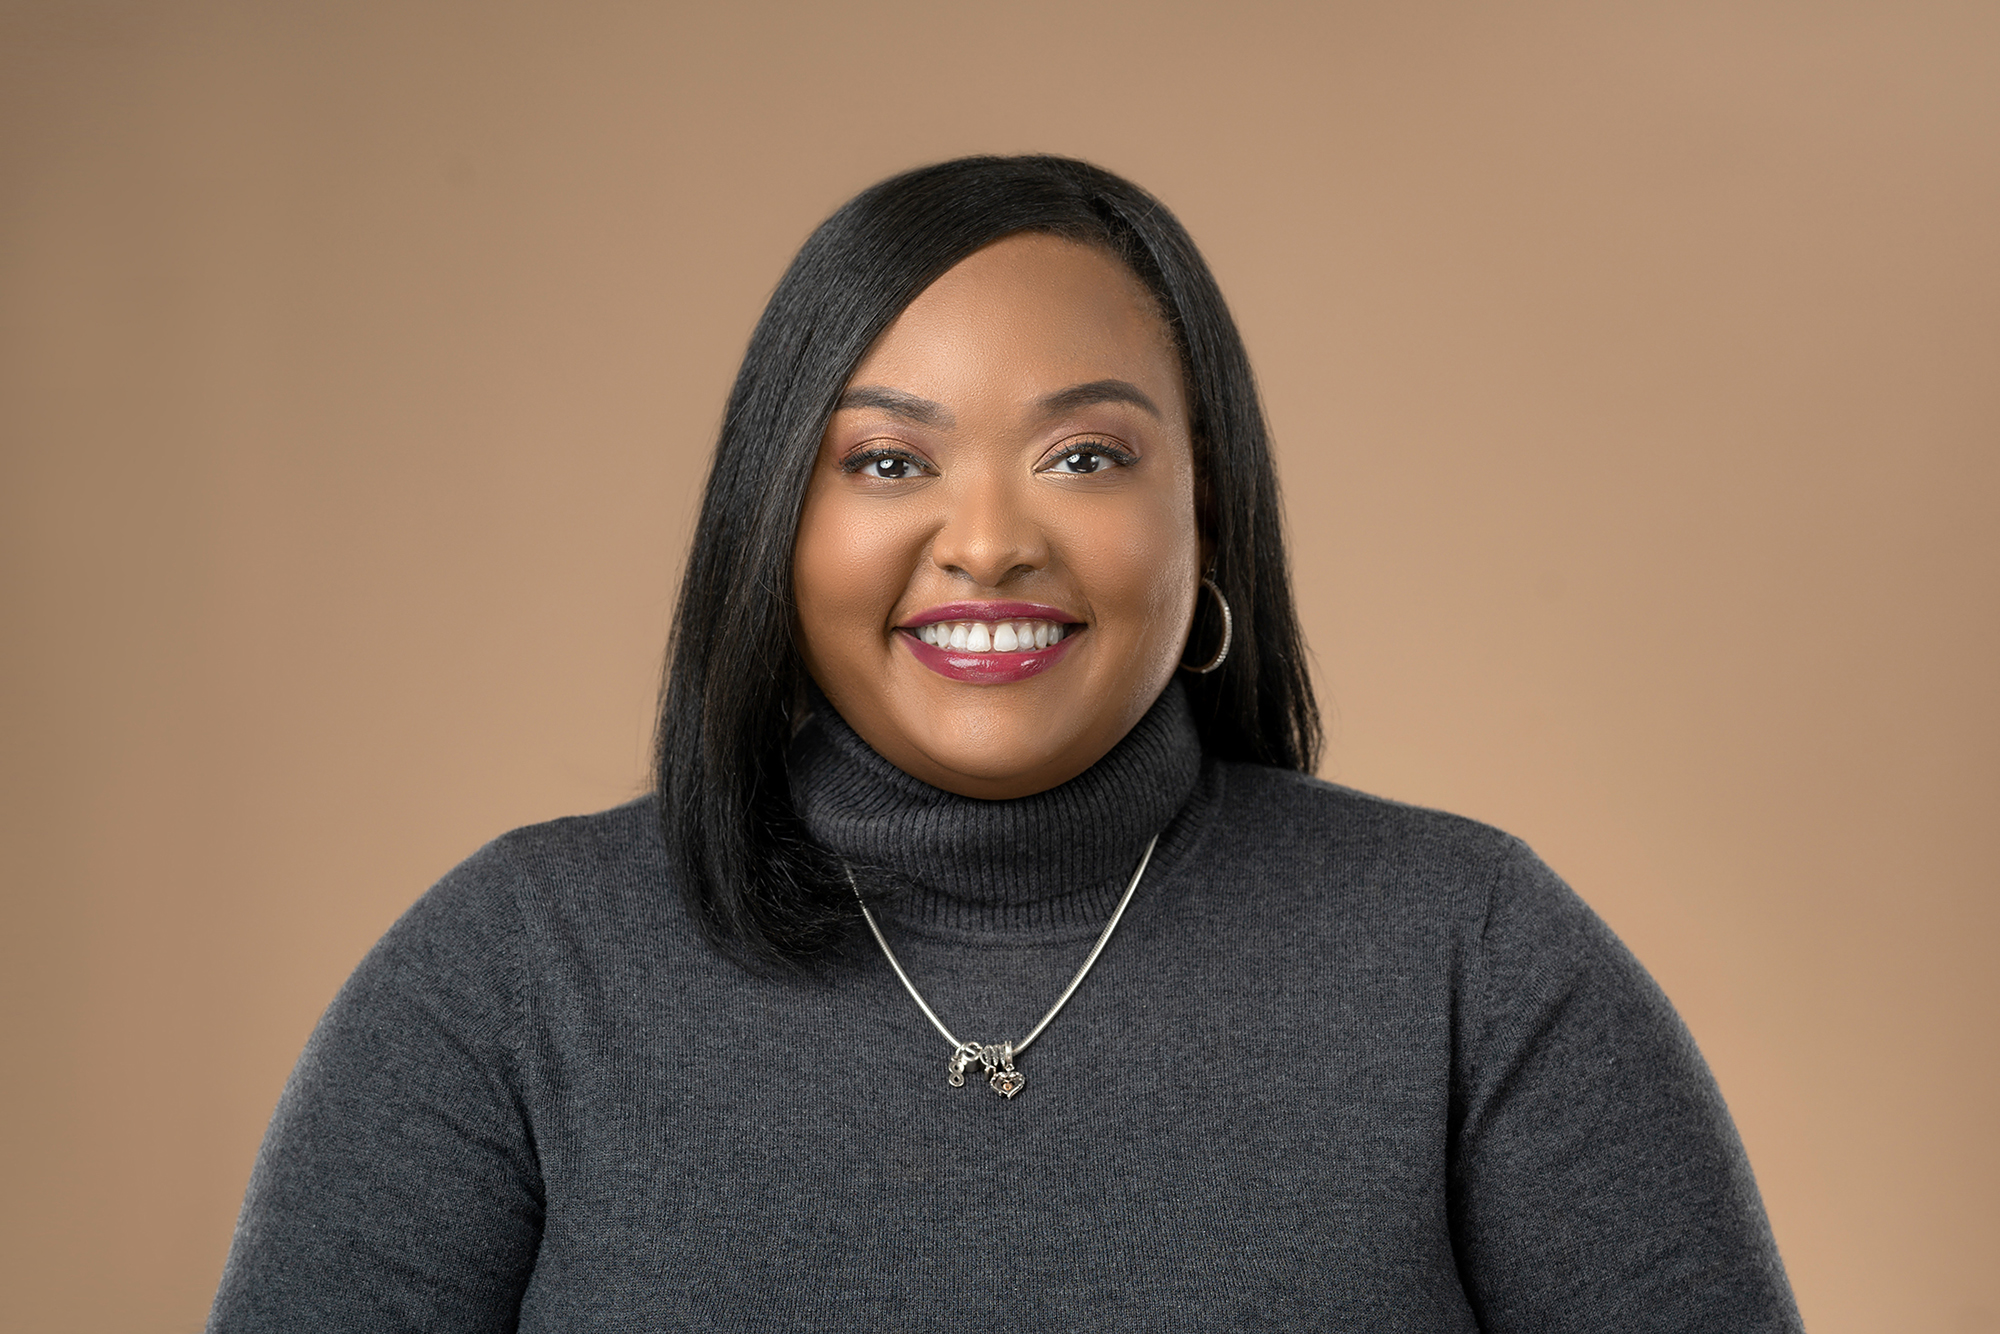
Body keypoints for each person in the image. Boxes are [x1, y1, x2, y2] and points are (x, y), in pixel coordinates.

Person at [208, 155, 1803, 1330]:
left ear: (1210, 516)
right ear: (774, 524)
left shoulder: (1474, 953)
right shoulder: (509, 971)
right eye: (891, 463)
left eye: (1087, 453)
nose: (988, 542)